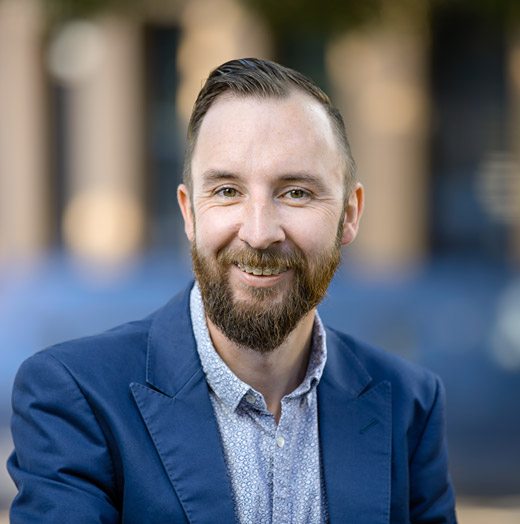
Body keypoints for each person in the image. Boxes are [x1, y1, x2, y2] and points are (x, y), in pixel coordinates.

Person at [7, 58, 457, 523]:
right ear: (189, 213)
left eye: (296, 192)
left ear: (349, 214)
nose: (259, 234)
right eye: (227, 191)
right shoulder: (75, 396)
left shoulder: (410, 407)